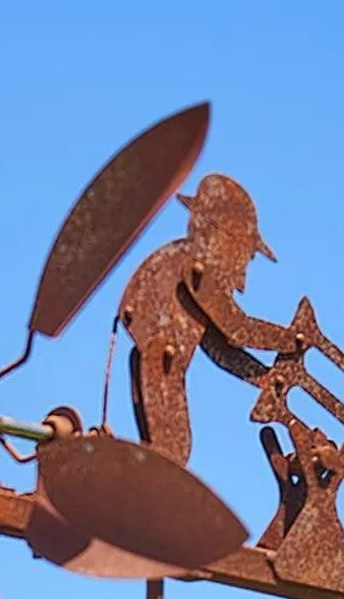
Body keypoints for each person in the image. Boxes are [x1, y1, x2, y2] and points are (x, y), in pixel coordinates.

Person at [118, 174, 303, 465]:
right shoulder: (196, 269)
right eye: (246, 254)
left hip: (163, 355)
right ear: (226, 239)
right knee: (173, 451)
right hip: (161, 355)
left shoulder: (191, 268)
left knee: (167, 452)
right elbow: (236, 329)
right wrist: (293, 339)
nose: (243, 264)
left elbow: (218, 346)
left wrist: (264, 378)